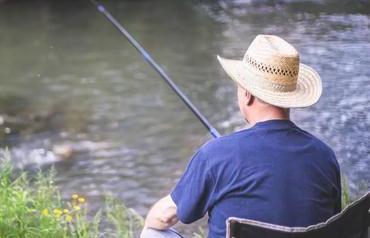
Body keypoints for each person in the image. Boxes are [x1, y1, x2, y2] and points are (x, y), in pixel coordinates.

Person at [141, 35, 341, 238]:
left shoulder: (216, 154)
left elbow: (164, 216)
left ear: (247, 94)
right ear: (290, 97)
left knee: (152, 233)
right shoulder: (325, 156)